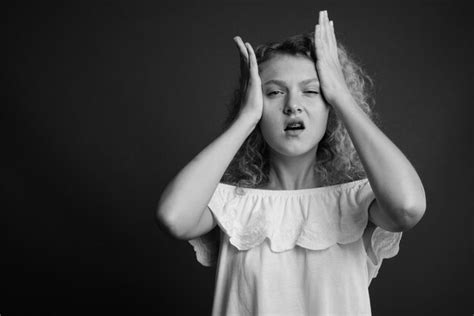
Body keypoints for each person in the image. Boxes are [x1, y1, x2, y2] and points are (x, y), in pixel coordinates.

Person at [156, 10, 426, 316]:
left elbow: (408, 207)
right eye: (274, 92)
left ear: (330, 107)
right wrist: (245, 119)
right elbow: (174, 217)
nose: (292, 105)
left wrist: (342, 96)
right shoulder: (231, 206)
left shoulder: (357, 201)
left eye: (311, 91)